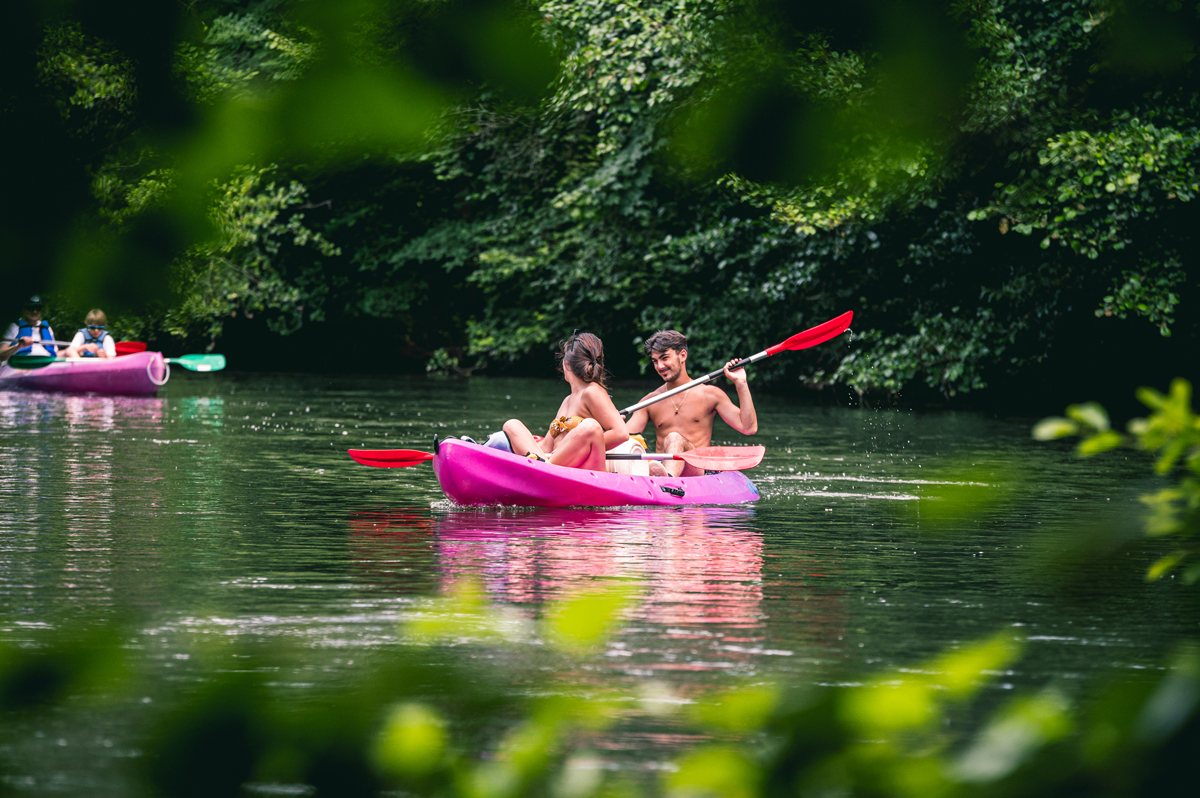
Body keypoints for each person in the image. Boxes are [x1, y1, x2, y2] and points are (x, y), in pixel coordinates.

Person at [626, 330, 758, 477]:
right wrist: (613, 423)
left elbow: (749, 427)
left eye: (664, 358)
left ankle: (666, 480)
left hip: (698, 469)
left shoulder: (710, 394)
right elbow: (625, 438)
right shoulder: (650, 401)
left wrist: (741, 383)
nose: (660, 366)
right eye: (655, 361)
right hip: (661, 467)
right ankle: (664, 477)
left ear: (682, 355)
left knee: (674, 437)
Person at [501, 332, 637, 471]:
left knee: (591, 426)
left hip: (582, 469)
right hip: (554, 463)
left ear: (567, 364)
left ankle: (544, 469)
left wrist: (575, 445)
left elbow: (621, 433)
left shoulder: (592, 391)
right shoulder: (567, 401)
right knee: (512, 425)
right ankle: (541, 467)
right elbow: (546, 446)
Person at [1, 295, 59, 362]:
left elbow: (56, 353)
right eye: (31, 308)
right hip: (21, 363)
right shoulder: (13, 326)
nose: (35, 311)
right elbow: (1, 354)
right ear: (24, 310)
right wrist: (18, 346)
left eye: (38, 308)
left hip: (45, 363)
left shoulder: (47, 328)